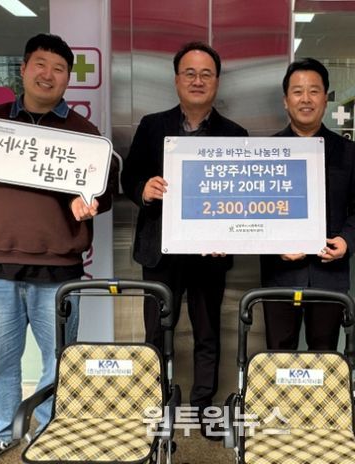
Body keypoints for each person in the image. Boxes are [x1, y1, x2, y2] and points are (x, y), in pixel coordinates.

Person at [0, 33, 119, 464]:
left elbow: (105, 191)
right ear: (22, 70)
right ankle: (0, 432)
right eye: (40, 64)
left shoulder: (83, 133)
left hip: (58, 268)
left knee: (59, 360)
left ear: (68, 79)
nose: (48, 75)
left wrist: (90, 202)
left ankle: (49, 429)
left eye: (59, 69)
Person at [120, 41, 247, 440]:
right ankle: (156, 405)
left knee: (208, 335)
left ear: (217, 81)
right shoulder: (152, 126)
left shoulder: (235, 134)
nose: (197, 80)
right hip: (161, 251)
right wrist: (144, 189)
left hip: (211, 253)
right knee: (156, 333)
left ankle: (204, 408)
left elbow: (243, 196)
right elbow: (129, 177)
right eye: (189, 73)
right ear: (176, 80)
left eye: (206, 74)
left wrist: (231, 234)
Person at [260, 58, 355, 351]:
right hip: (280, 274)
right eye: (297, 92)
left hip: (329, 276)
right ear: (286, 101)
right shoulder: (266, 152)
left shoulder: (347, 151)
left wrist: (346, 241)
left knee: (324, 357)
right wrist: (275, 244)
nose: (306, 99)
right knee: (279, 356)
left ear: (325, 99)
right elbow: (254, 210)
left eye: (314, 91)